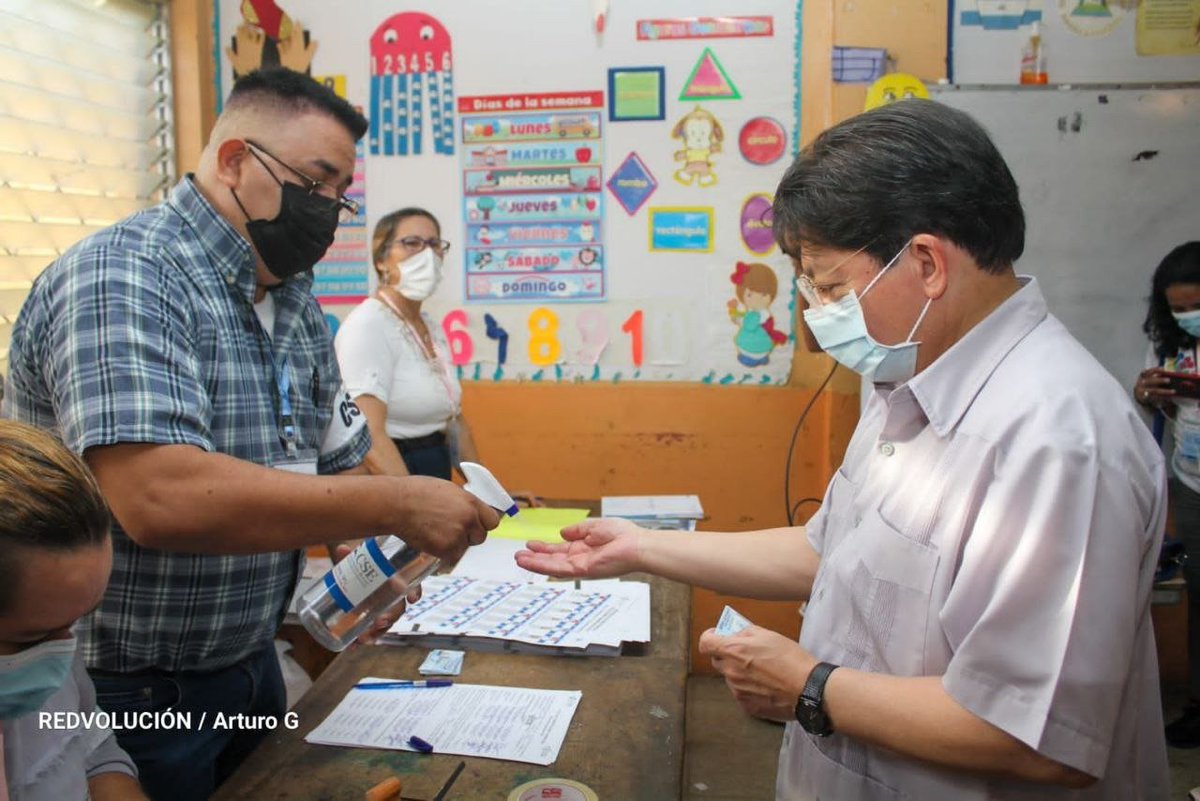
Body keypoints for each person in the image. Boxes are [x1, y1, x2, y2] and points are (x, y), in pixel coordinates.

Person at [517, 99, 1170, 799]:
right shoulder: (912, 376)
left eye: (830, 286)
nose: (818, 314)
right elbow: (830, 550)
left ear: (926, 263)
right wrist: (641, 547)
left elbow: (1038, 736)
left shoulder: (1057, 441)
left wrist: (809, 685)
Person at [2, 67, 499, 801]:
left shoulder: (292, 298)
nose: (327, 210)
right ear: (235, 160)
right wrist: (395, 506)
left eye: (340, 194)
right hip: (135, 691)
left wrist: (371, 571)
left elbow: (345, 453)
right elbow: (158, 497)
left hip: (250, 662)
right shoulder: (127, 278)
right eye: (315, 182)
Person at [0, 420, 146, 800]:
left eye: (74, 621)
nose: (62, 649)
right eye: (32, 636)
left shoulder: (47, 636)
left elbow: (93, 748)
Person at [334, 208, 481, 479]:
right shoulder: (368, 325)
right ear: (382, 259)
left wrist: (494, 495)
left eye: (434, 244)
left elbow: (452, 422)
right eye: (412, 243)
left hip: (431, 471)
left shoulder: (429, 325)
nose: (427, 254)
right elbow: (368, 435)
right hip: (390, 480)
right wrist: (415, 505)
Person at [1136, 241, 1200, 748]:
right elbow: (1147, 391)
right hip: (1191, 480)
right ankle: (1198, 704)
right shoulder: (1174, 344)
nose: (1188, 316)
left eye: (1196, 305)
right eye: (1178, 309)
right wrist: (1149, 391)